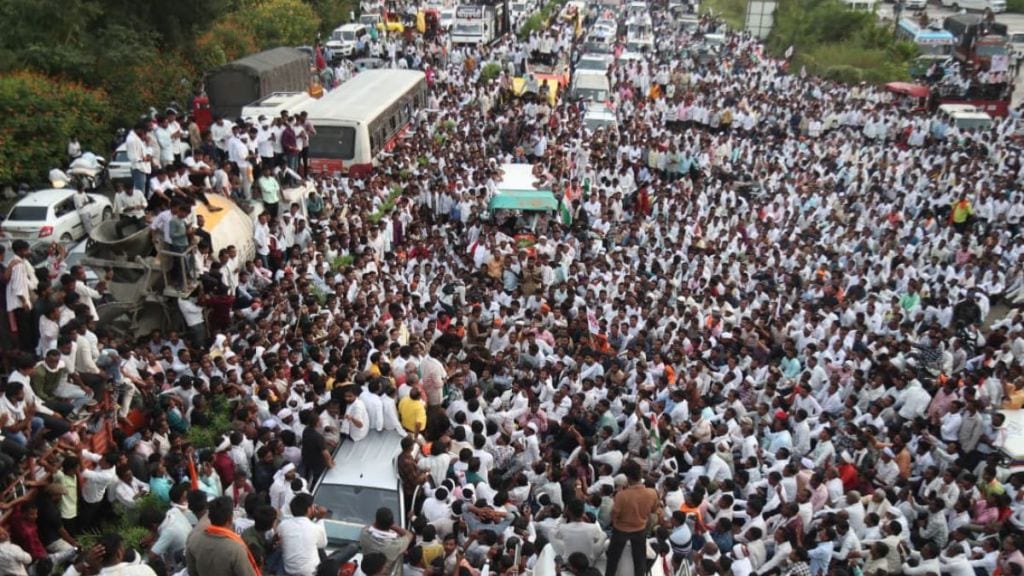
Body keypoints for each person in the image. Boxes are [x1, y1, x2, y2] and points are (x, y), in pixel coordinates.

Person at [606, 460, 660, 576]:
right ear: (640, 475)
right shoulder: (652, 493)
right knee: (639, 561)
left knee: (613, 559)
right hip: (640, 529)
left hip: (621, 530)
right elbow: (653, 510)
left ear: (628, 477)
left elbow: (614, 515)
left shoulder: (621, 495)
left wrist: (617, 524)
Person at [186, 495, 259, 576]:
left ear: (210, 517)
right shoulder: (236, 549)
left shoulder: (194, 540)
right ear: (231, 518)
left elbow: (192, 572)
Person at [277, 493, 328, 576]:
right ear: (308, 509)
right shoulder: (315, 528)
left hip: (289, 571)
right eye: (312, 506)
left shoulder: (283, 525)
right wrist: (320, 518)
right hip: (311, 573)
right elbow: (323, 544)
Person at [359, 507, 413, 576]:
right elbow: (409, 535)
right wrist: (392, 526)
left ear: (376, 521)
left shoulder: (364, 534)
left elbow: (370, 527)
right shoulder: (395, 545)